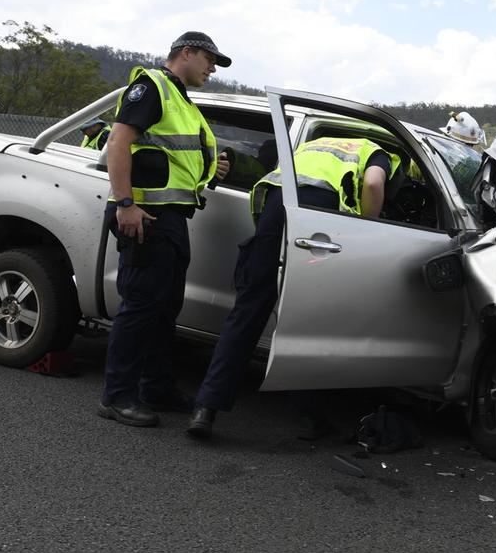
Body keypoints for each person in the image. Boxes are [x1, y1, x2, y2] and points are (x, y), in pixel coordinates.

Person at [186, 135, 402, 439]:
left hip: (278, 207)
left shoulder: (321, 142)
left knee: (247, 313)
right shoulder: (380, 154)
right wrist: (368, 229)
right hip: (318, 218)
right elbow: (373, 185)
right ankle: (310, 416)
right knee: (311, 319)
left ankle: (205, 409)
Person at [97, 31, 232, 427]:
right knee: (140, 308)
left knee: (163, 308)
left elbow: (173, 154)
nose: (211, 68)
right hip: (145, 217)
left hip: (169, 217)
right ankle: (116, 396)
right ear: (186, 53)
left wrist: (213, 167)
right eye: (209, 59)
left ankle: (155, 387)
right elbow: (119, 141)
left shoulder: (182, 99)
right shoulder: (152, 87)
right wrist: (125, 204)